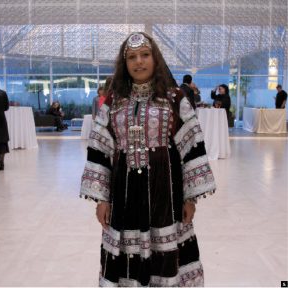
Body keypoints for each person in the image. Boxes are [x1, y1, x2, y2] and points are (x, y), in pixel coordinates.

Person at [80, 32, 216, 287]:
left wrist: (190, 197)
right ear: (125, 63)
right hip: (124, 198)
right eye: (132, 57)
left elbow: (192, 148)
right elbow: (99, 149)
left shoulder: (174, 99)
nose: (138, 62)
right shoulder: (113, 101)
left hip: (167, 195)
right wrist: (101, 199)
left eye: (144, 55)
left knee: (164, 254)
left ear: (155, 59)